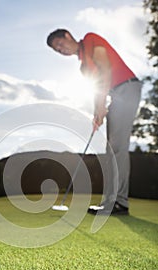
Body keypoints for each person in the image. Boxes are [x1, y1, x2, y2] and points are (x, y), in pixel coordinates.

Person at [47, 29, 142, 215]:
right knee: (111, 150)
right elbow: (96, 87)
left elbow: (105, 68)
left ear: (67, 35)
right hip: (115, 94)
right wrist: (96, 112)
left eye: (60, 44)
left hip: (126, 88)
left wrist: (101, 106)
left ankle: (119, 203)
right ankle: (111, 202)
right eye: (57, 50)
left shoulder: (90, 39)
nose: (61, 50)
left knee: (117, 148)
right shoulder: (83, 67)